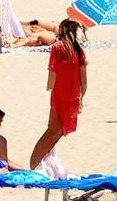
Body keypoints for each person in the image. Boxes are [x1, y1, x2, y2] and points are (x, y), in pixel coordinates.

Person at [30, 19, 87, 168]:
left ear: (61, 30)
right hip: (73, 96)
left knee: (52, 131)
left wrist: (50, 88)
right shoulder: (79, 51)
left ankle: (35, 163)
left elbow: (52, 73)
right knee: (57, 131)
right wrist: (81, 99)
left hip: (59, 94)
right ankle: (38, 162)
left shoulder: (57, 48)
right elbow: (84, 81)